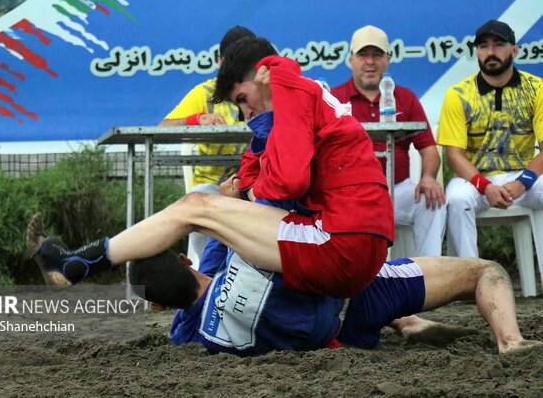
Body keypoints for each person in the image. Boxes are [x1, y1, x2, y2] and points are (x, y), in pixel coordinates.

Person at [27, 35, 394, 301]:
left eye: (243, 100)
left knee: (197, 207)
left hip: (342, 241)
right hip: (357, 242)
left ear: (263, 74)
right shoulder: (298, 95)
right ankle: (406, 319)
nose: (246, 113)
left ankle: (80, 262)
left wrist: (251, 183)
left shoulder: (290, 89)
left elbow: (287, 181)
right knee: (206, 207)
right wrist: (253, 178)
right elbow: (258, 175)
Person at [26, 214, 541, 356]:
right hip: (362, 291)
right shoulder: (228, 254)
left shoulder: (188, 333)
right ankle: (511, 342)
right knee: (484, 271)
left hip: (342, 339)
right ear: (186, 262)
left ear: (161, 305)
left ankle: (406, 324)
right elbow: (219, 223)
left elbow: (184, 309)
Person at [331, 25, 446, 256]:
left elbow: (429, 149)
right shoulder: (334, 99)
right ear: (350, 60)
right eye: (363, 55)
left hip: (398, 190)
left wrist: (428, 177)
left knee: (432, 201)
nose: (370, 62)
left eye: (377, 55)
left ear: (388, 59)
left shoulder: (405, 97)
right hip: (352, 194)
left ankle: (427, 278)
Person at [437, 19, 543, 257]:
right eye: (483, 46)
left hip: (523, 175)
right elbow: (454, 156)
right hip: (474, 179)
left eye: (498, 44)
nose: (490, 52)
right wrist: (485, 187)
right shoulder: (458, 94)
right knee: (455, 200)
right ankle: (469, 278)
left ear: (514, 50)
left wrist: (521, 183)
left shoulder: (537, 88)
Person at [158, 25, 255, 264]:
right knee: (199, 199)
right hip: (212, 188)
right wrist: (197, 120)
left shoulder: (265, 92)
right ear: (220, 62)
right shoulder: (205, 93)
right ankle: (202, 278)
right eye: (234, 61)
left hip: (254, 184)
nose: (239, 69)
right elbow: (162, 129)